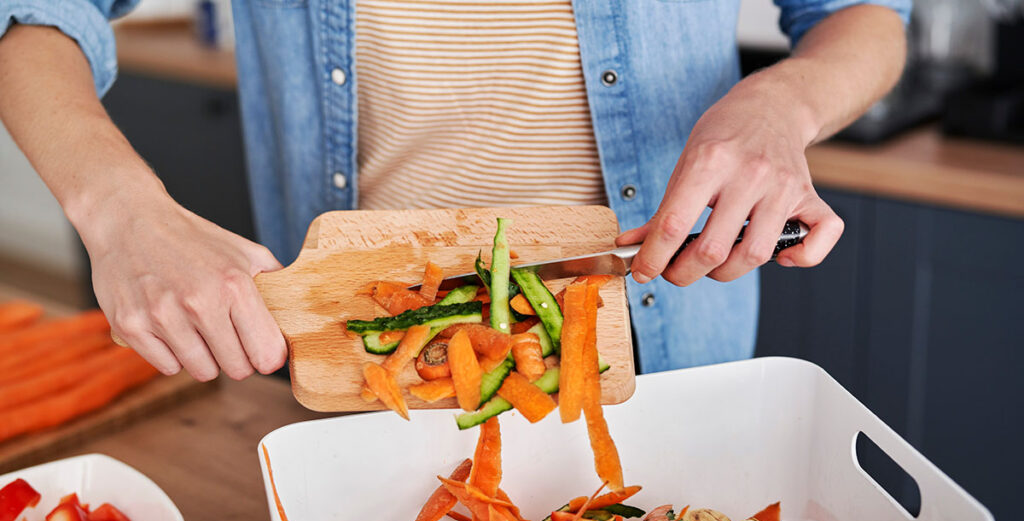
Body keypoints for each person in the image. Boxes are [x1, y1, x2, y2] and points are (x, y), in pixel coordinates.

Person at [0, 0, 909, 381]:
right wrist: (121, 213)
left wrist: (784, 103)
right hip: (360, 356)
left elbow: (865, 15)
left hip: (662, 346)